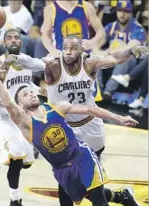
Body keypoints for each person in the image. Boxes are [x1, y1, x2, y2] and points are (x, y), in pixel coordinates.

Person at [12, 35, 144, 206]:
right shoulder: (53, 65)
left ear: (82, 50)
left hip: (91, 125)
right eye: (65, 47)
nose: (68, 52)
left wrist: (130, 50)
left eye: (73, 48)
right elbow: (33, 63)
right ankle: (120, 197)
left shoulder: (89, 64)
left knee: (90, 182)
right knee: (68, 180)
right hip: (65, 127)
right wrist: (15, 58)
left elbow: (114, 59)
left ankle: (118, 197)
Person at [0, 29, 46, 206]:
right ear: (4, 43)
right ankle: (15, 199)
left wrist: (39, 90)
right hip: (4, 117)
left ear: (21, 42)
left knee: (27, 163)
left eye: (17, 37)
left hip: (22, 115)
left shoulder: (25, 62)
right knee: (16, 157)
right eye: (9, 38)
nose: (14, 40)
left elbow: (26, 84)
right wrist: (0, 103)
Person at [41, 0, 106, 57]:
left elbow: (101, 31)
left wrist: (92, 42)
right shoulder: (50, 9)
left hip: (83, 54)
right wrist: (52, 50)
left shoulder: (86, 6)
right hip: (62, 54)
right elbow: (45, 35)